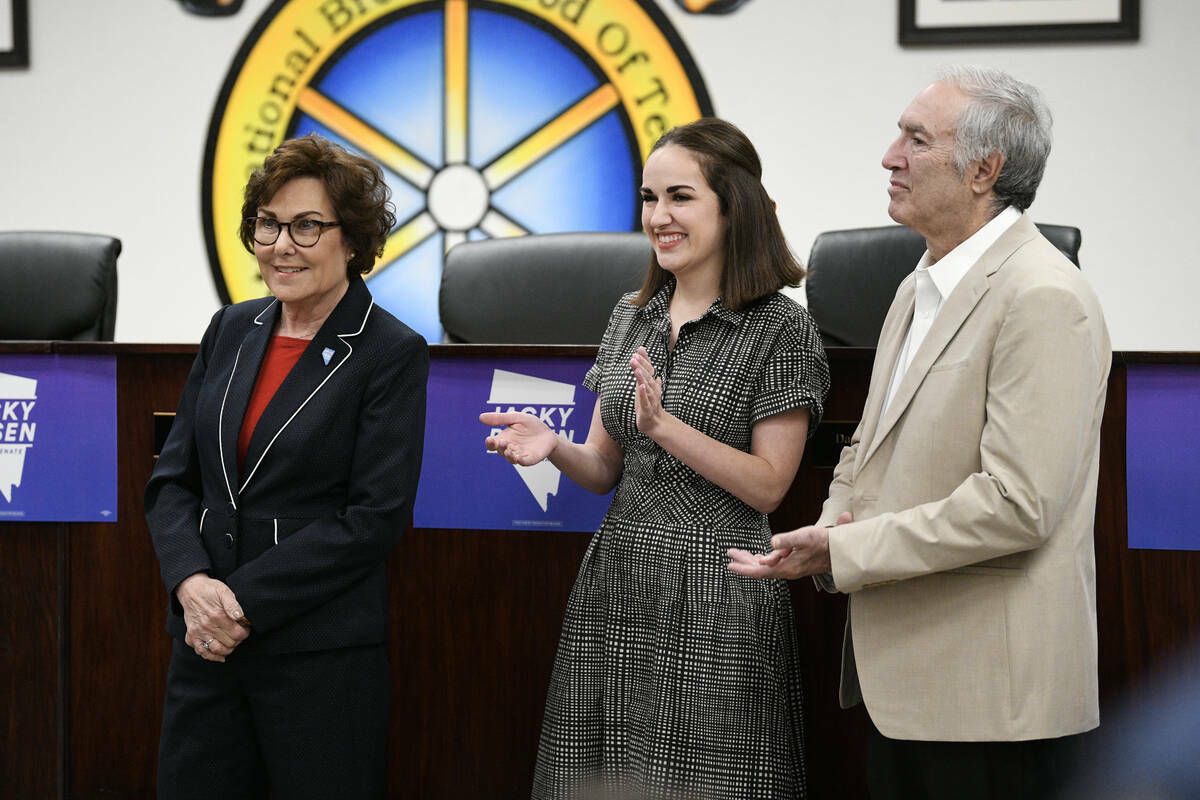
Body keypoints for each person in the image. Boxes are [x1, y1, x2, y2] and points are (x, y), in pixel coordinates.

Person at [729, 66, 1111, 799]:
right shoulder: (916, 285)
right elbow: (869, 449)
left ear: (985, 170)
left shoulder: (1044, 297)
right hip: (903, 685)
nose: (889, 156)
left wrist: (845, 548)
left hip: (991, 703)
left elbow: (1016, 503)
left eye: (916, 138)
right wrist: (829, 523)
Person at [481, 118, 829, 799]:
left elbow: (768, 488)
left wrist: (667, 427)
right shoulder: (631, 313)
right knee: (600, 776)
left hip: (719, 589)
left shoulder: (782, 328)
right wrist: (555, 448)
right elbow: (605, 468)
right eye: (648, 198)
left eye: (680, 198)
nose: (658, 217)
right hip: (618, 579)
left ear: (734, 208)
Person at [145, 134, 428, 799]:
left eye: (307, 226)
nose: (281, 245)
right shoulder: (229, 329)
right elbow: (173, 483)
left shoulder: (389, 351)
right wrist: (191, 585)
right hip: (204, 648)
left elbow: (374, 518)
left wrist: (238, 602)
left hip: (316, 660)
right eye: (268, 224)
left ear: (352, 239)